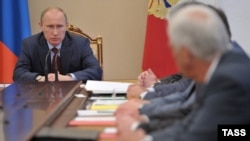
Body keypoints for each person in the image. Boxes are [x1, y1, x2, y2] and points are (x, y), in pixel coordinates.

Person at [116, 3, 250, 141]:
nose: (172, 55)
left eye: (173, 48)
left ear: (186, 54)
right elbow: (190, 119)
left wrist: (143, 138)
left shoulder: (228, 80)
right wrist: (141, 125)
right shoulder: (216, 67)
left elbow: (201, 135)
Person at [13, 7, 102, 83]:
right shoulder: (30, 44)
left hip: (73, 95)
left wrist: (68, 78)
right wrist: (41, 78)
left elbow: (96, 71)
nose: (55, 33)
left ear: (66, 26)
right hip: (41, 97)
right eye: (50, 26)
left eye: (59, 26)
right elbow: (18, 74)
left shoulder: (80, 43)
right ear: (41, 25)